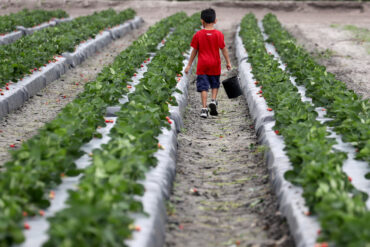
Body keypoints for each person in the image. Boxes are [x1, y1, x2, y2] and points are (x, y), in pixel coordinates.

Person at [185, 8, 231, 118]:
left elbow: (194, 51)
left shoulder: (198, 35)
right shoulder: (219, 34)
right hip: (215, 64)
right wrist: (228, 62)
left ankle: (204, 108)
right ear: (215, 20)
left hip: (202, 65)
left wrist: (189, 65)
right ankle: (214, 100)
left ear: (202, 21)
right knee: (215, 84)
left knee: (204, 87)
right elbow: (223, 49)